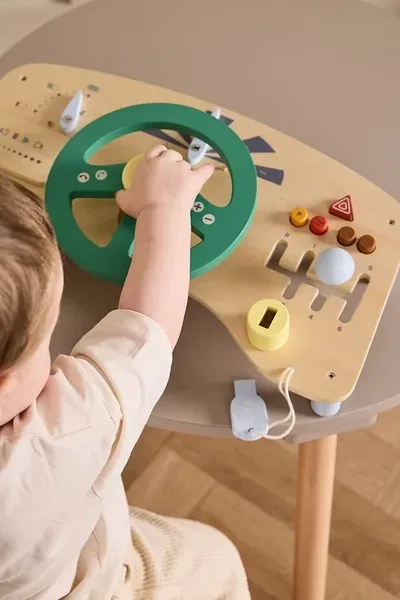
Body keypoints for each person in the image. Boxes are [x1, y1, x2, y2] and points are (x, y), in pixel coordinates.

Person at [0, 145, 251, 600]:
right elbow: (147, 330)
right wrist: (164, 209)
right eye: (47, 333)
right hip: (90, 581)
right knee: (217, 558)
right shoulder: (60, 435)